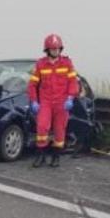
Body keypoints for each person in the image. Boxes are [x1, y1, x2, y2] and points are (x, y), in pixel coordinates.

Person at [27, 33, 80, 167]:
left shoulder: (67, 63)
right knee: (42, 127)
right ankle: (41, 156)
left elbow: (73, 82)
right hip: (45, 102)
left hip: (62, 103)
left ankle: (56, 157)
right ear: (47, 50)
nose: (55, 51)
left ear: (60, 49)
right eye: (52, 49)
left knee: (59, 130)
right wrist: (34, 101)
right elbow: (32, 85)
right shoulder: (40, 64)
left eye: (57, 49)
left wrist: (70, 98)